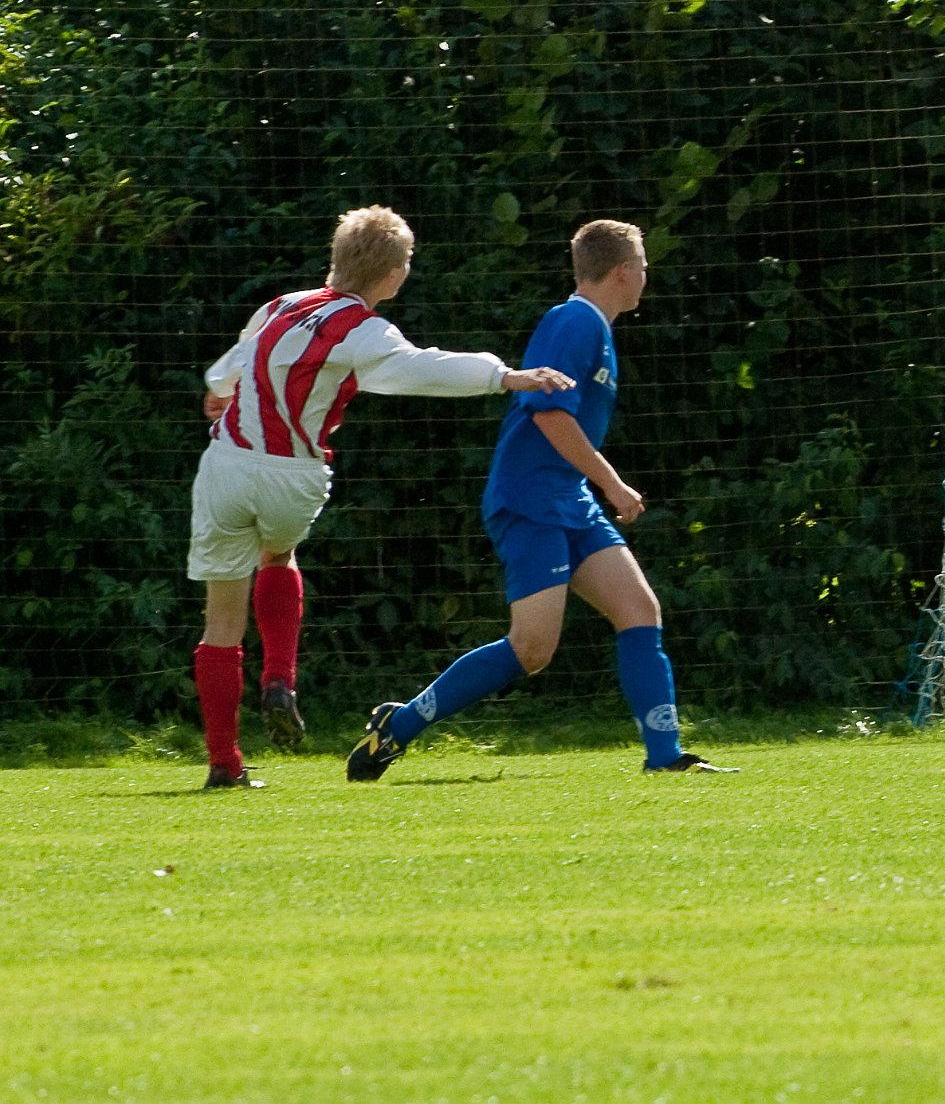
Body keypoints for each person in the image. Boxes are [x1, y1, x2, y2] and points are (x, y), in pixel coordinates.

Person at [190, 205, 574, 789]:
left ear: (337, 257)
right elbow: (422, 368)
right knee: (278, 554)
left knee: (221, 621)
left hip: (226, 467)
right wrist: (505, 375)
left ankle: (225, 763)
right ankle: (279, 678)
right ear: (393, 275)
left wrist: (219, 391)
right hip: (292, 477)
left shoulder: (281, 306)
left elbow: (232, 367)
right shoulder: (364, 330)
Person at [346, 219, 736, 781]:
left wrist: (593, 486)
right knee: (532, 648)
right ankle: (399, 725)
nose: (646, 278)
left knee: (638, 609)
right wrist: (612, 483)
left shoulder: (594, 327)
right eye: (644, 267)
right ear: (623, 270)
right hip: (530, 499)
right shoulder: (574, 321)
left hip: (567, 499)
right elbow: (549, 415)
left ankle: (665, 757)